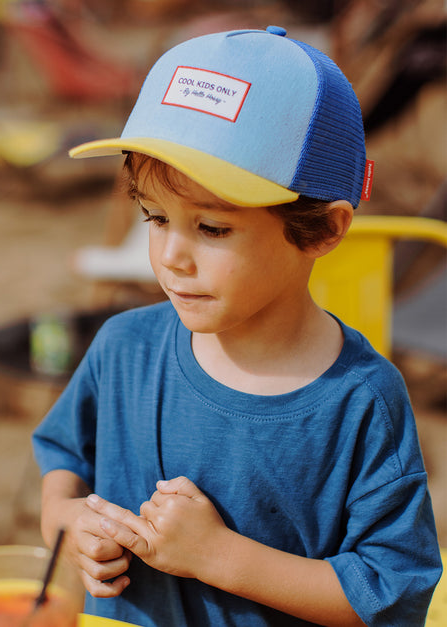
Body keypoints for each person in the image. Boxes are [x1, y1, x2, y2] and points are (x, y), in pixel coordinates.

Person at [32, 26, 442, 626]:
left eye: (212, 228)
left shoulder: (360, 400)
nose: (171, 255)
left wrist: (220, 556)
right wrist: (67, 525)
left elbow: (391, 593)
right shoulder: (124, 348)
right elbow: (63, 459)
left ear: (323, 229)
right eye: (154, 216)